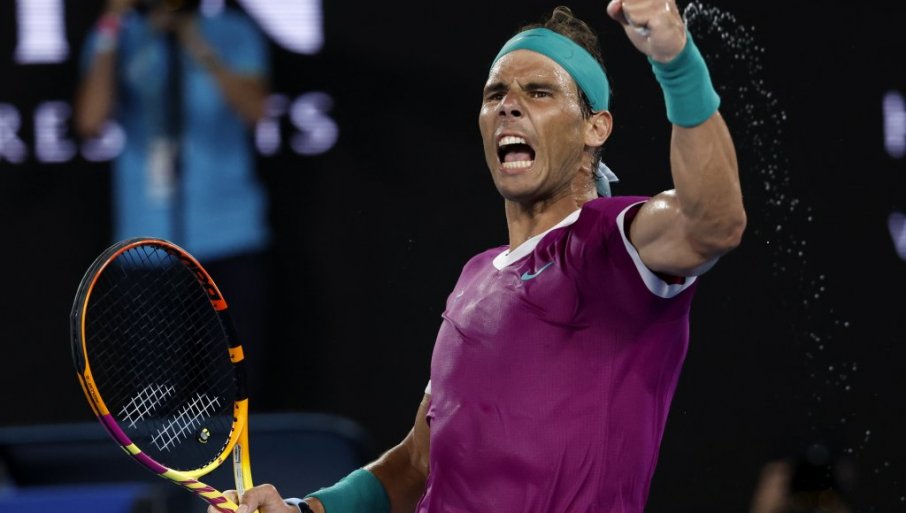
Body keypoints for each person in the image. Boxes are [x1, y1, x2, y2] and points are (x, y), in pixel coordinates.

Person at [214, 0, 746, 512]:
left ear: (595, 127)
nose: (508, 105)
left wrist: (676, 64)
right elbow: (417, 465)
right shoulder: (474, 279)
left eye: (539, 92)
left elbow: (715, 222)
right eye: (496, 95)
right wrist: (307, 509)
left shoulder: (616, 243)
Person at [74, 0, 276, 405]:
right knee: (155, 396)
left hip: (229, 236)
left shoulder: (232, 31)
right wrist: (112, 22)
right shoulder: (118, 37)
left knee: (235, 390)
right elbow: (90, 121)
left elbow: (257, 110)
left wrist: (194, 41)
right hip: (147, 246)